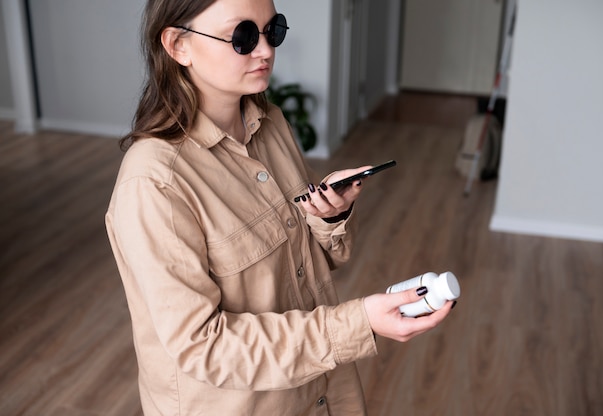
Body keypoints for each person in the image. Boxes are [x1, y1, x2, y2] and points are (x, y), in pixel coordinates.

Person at [105, 0, 454, 414]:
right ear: (178, 45)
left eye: (273, 31)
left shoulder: (269, 123)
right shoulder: (154, 184)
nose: (266, 50)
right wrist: (358, 324)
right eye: (243, 36)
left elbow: (308, 268)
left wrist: (328, 217)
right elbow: (204, 347)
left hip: (323, 392)